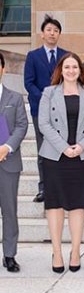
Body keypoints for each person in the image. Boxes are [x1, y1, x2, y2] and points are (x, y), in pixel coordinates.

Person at [38, 53, 84, 273]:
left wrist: (81, 146)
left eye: (75, 67)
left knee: (77, 204)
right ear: (60, 70)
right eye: (67, 67)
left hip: (81, 157)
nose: (71, 70)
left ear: (80, 70)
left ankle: (75, 251)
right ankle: (57, 252)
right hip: (55, 156)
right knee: (54, 205)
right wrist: (64, 147)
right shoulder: (49, 92)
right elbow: (43, 123)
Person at [24, 15, 68, 203]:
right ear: (42, 34)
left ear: (59, 34)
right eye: (49, 30)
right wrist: (45, 98)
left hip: (63, 111)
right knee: (43, 150)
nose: (52, 33)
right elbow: (29, 83)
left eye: (56, 31)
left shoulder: (66, 56)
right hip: (40, 110)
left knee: (62, 148)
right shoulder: (33, 56)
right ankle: (44, 188)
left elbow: (71, 80)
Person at [0, 52, 28, 272]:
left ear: (4, 69)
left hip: (8, 162)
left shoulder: (15, 98)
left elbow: (21, 126)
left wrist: (6, 147)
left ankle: (9, 255)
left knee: (9, 211)